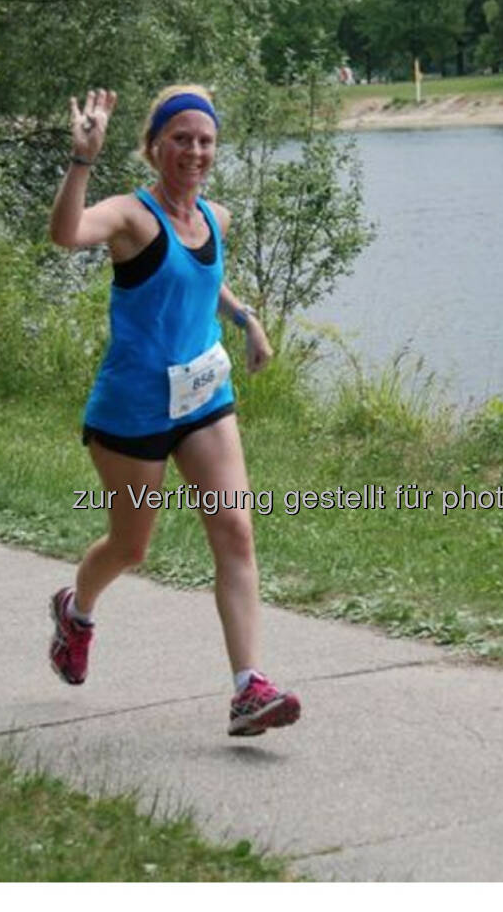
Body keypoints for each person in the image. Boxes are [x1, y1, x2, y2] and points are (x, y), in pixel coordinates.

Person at [46, 84, 300, 737]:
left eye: (206, 139)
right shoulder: (130, 216)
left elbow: (203, 278)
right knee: (132, 546)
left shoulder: (215, 215)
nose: (195, 150)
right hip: (133, 412)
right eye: (181, 138)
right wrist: (82, 161)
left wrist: (246, 320)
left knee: (235, 531)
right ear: (156, 144)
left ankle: (249, 688)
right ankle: (77, 608)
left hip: (204, 400)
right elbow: (67, 234)